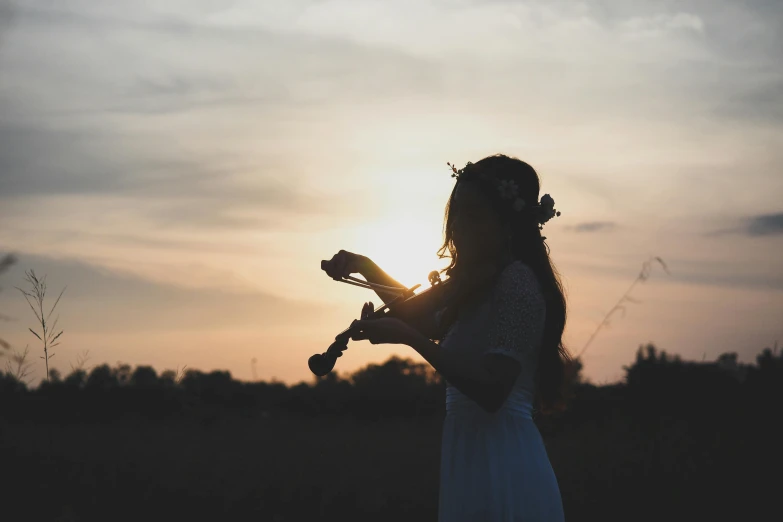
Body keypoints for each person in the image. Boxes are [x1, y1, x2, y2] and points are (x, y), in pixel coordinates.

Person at [322, 153, 569, 521]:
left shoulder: (516, 283)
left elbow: (491, 391)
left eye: (472, 216)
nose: (457, 228)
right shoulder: (476, 281)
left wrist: (411, 340)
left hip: (504, 462)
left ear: (506, 223)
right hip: (469, 457)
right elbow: (423, 316)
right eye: (456, 214)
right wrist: (364, 266)